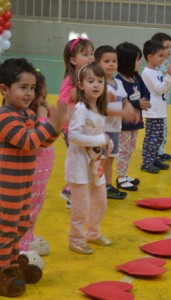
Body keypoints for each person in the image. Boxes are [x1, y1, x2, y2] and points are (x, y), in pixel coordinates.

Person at [0, 58, 72, 297]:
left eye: (32, 88)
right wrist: (51, 122)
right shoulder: (5, 118)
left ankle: (12, 266)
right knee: (6, 230)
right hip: (6, 189)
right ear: (4, 89)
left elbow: (41, 142)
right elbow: (28, 140)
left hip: (22, 187)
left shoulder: (26, 115)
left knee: (19, 227)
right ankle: (3, 272)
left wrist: (57, 124)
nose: (29, 93)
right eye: (23, 87)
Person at [65, 62, 114, 255]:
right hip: (79, 167)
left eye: (100, 81)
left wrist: (104, 143)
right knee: (81, 207)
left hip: (95, 165)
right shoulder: (80, 108)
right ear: (81, 85)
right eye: (91, 81)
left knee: (101, 201)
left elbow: (96, 134)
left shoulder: (99, 108)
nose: (96, 85)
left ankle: (93, 232)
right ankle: (76, 239)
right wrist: (100, 139)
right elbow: (73, 136)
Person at [19, 71, 54, 264]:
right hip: (30, 174)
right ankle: (21, 249)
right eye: (41, 96)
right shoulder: (27, 117)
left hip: (41, 177)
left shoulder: (37, 115)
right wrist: (42, 116)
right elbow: (39, 139)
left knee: (35, 208)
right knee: (27, 211)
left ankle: (28, 239)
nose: (42, 100)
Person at [94, 45, 139, 198]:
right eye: (107, 61)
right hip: (101, 131)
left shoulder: (118, 83)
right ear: (97, 63)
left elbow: (125, 100)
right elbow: (101, 109)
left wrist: (131, 110)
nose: (112, 64)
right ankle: (96, 187)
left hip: (115, 129)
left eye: (114, 61)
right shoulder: (98, 84)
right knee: (99, 160)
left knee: (110, 159)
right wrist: (122, 112)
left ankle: (107, 186)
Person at [58, 37, 95, 208]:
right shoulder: (71, 81)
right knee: (79, 160)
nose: (90, 58)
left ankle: (76, 191)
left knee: (87, 159)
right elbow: (62, 103)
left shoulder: (87, 77)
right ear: (73, 60)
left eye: (92, 54)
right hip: (73, 128)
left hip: (85, 126)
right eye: (85, 54)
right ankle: (70, 191)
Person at [141, 39, 171, 173]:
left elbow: (166, 87)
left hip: (160, 110)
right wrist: (170, 75)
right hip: (153, 111)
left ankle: (154, 159)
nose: (162, 58)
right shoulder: (147, 73)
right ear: (150, 57)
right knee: (151, 137)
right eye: (160, 56)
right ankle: (147, 162)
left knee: (159, 136)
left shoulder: (157, 71)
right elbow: (160, 89)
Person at [115, 42, 151, 191]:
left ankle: (124, 174)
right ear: (127, 62)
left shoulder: (136, 77)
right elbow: (122, 102)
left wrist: (144, 100)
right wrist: (138, 104)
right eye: (137, 59)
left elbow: (146, 92)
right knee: (123, 150)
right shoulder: (118, 80)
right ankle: (121, 178)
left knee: (130, 149)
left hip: (136, 122)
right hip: (124, 124)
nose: (140, 62)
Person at [151, 32, 171, 162]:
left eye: (170, 47)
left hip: (164, 103)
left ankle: (160, 151)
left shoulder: (166, 63)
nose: (169, 50)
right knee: (157, 130)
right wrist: (169, 74)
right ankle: (154, 154)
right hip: (156, 104)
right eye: (166, 47)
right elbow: (160, 84)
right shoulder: (155, 67)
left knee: (163, 129)